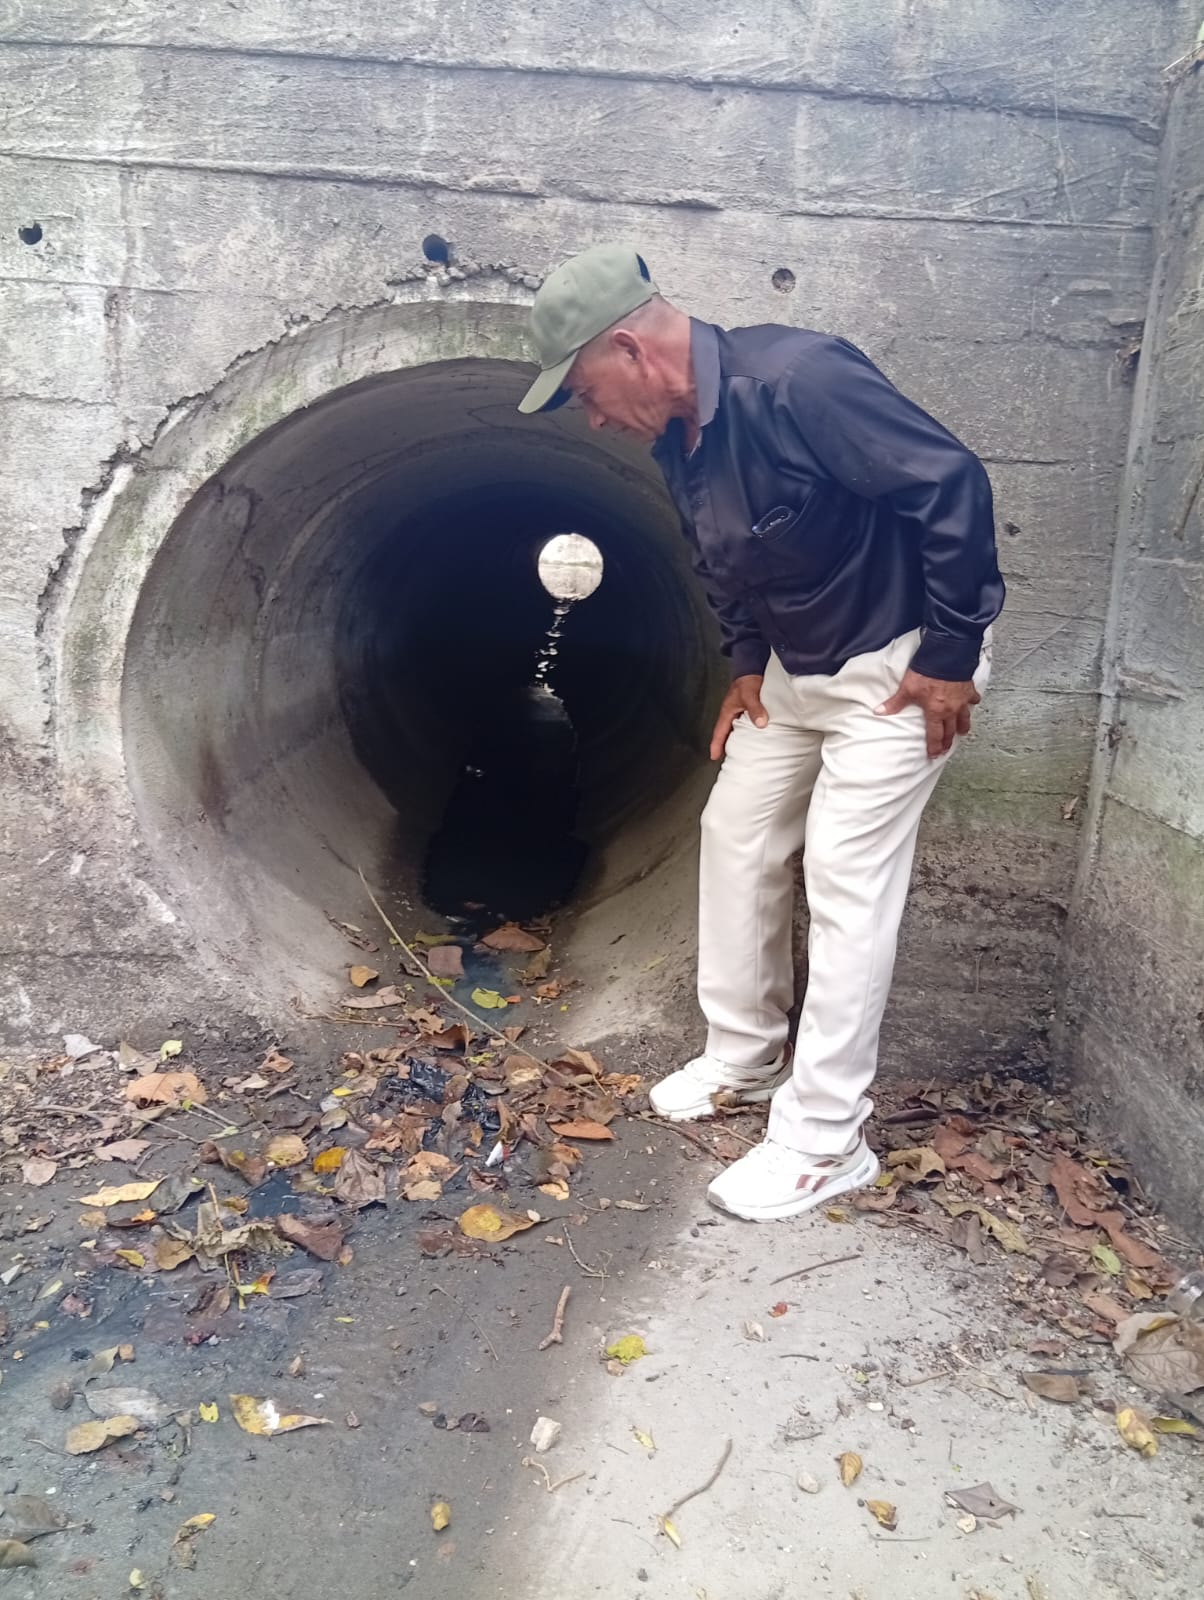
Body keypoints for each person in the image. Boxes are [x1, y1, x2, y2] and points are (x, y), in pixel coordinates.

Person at [518, 243, 1004, 1221]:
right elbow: (721, 563)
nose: (593, 418)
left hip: (897, 666)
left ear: (630, 349)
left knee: (845, 875)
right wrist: (745, 663)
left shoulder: (798, 380)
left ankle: (825, 1140)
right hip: (793, 669)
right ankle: (743, 1058)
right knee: (735, 829)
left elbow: (949, 483)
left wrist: (951, 651)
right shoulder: (678, 440)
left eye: (585, 392)